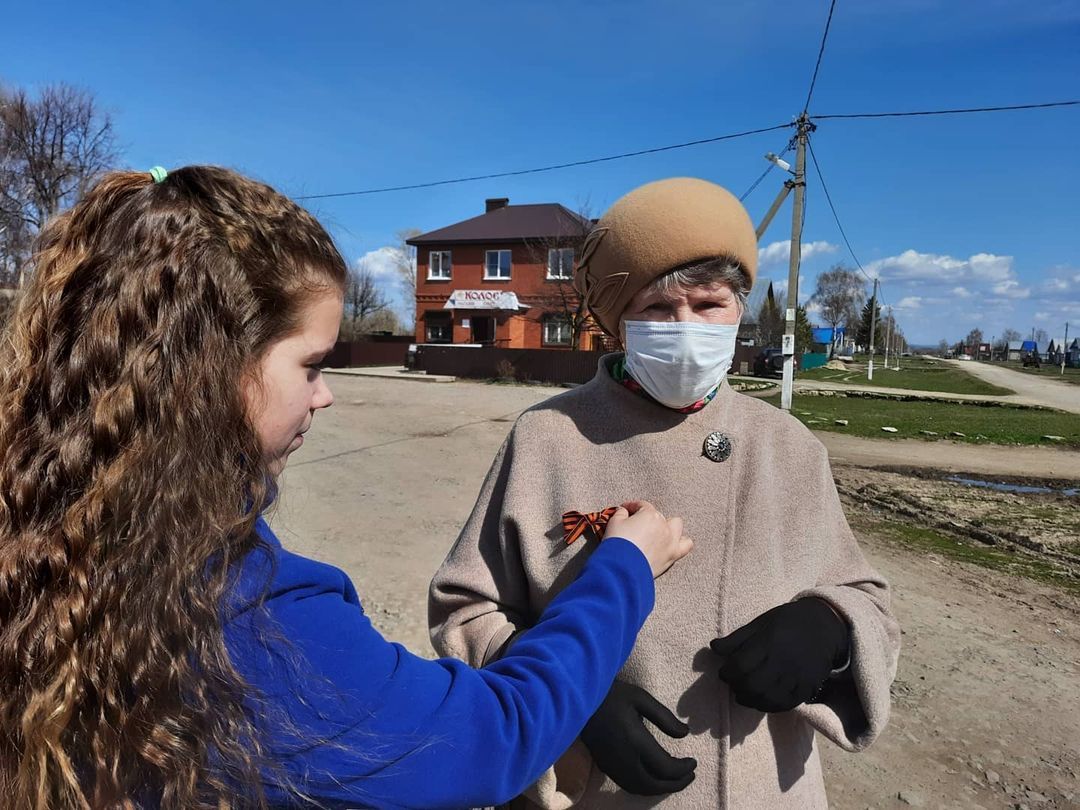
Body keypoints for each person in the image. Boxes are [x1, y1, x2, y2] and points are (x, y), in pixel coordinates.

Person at [0, 165, 694, 810]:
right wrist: (621, 570)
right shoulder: (244, 612)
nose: (326, 396)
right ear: (208, 369)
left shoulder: (45, 520)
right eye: (311, 365)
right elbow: (492, 735)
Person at [429, 177, 901, 809]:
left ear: (739, 308)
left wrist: (832, 628)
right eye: (656, 308)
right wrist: (571, 696)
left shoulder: (788, 446)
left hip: (770, 788)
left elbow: (866, 598)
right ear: (614, 320)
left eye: (708, 304)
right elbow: (465, 610)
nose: (686, 328)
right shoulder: (547, 438)